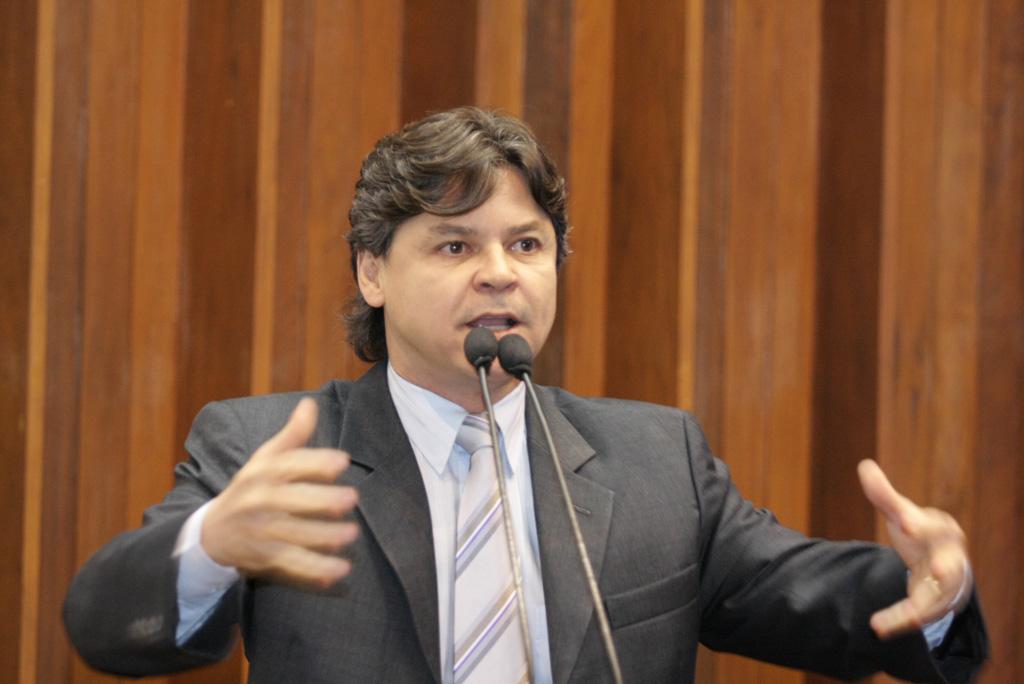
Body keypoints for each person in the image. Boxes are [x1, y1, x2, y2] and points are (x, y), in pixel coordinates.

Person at [64, 107, 987, 683]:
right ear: (373, 272)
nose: (500, 272)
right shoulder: (273, 450)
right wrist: (213, 545)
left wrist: (929, 590)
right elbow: (105, 625)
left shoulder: (655, 461)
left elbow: (805, 597)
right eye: (455, 245)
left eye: (527, 244)